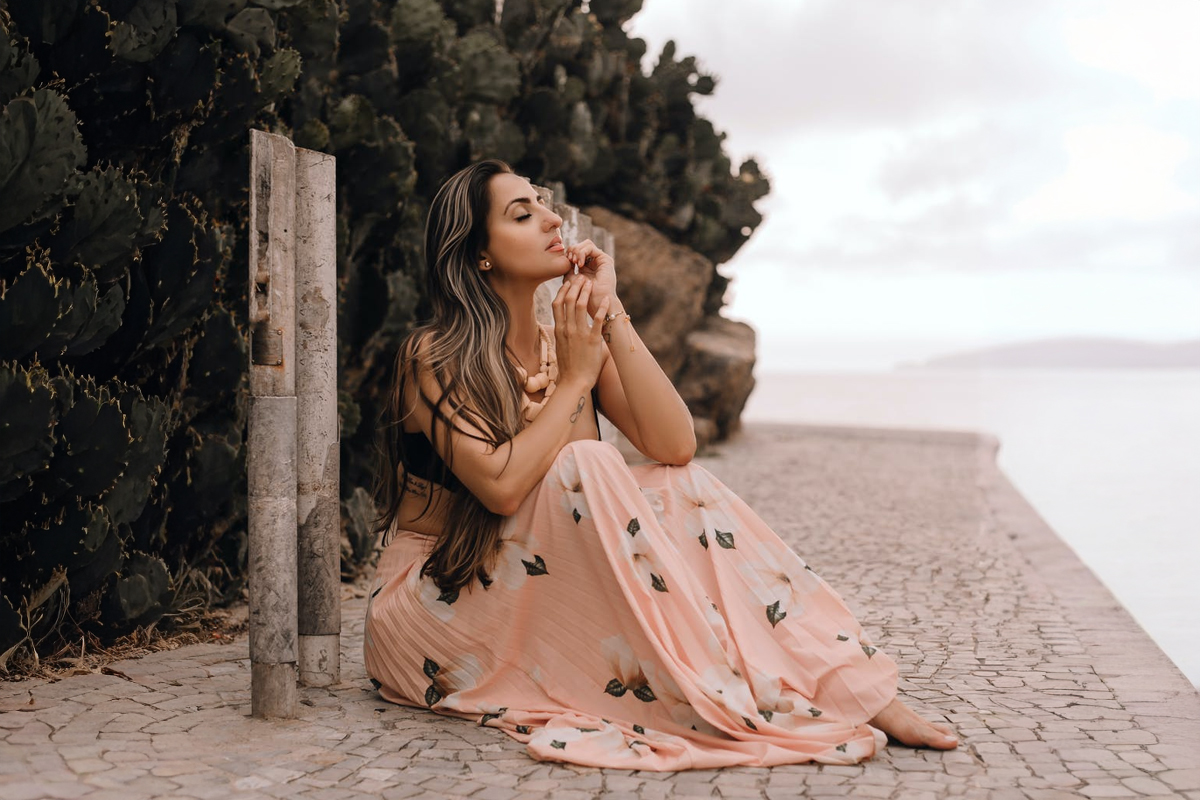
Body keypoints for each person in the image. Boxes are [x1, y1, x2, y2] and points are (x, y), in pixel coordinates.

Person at [364, 159, 958, 770]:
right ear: (479, 255)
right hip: (437, 605)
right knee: (592, 461)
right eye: (522, 213)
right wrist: (574, 379)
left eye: (543, 204)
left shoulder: (564, 339)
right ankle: (722, 687)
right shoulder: (432, 356)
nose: (549, 218)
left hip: (518, 585)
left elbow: (675, 446)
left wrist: (609, 307)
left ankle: (847, 686)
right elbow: (502, 489)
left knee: (679, 487)